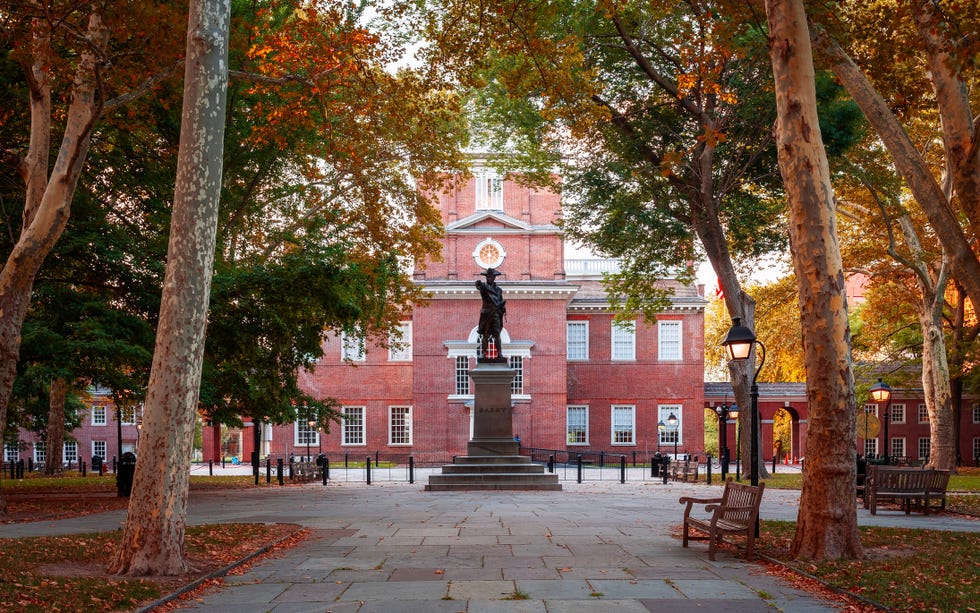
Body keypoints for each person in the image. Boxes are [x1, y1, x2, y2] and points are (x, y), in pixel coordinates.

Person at [476, 268, 506, 359]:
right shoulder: (484, 287)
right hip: (487, 315)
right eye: (488, 276)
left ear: (494, 278)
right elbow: (479, 286)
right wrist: (478, 284)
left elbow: (500, 301)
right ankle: (484, 353)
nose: (489, 278)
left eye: (491, 276)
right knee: (486, 334)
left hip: (496, 314)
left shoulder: (499, 290)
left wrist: (503, 307)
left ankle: (499, 353)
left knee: (497, 334)